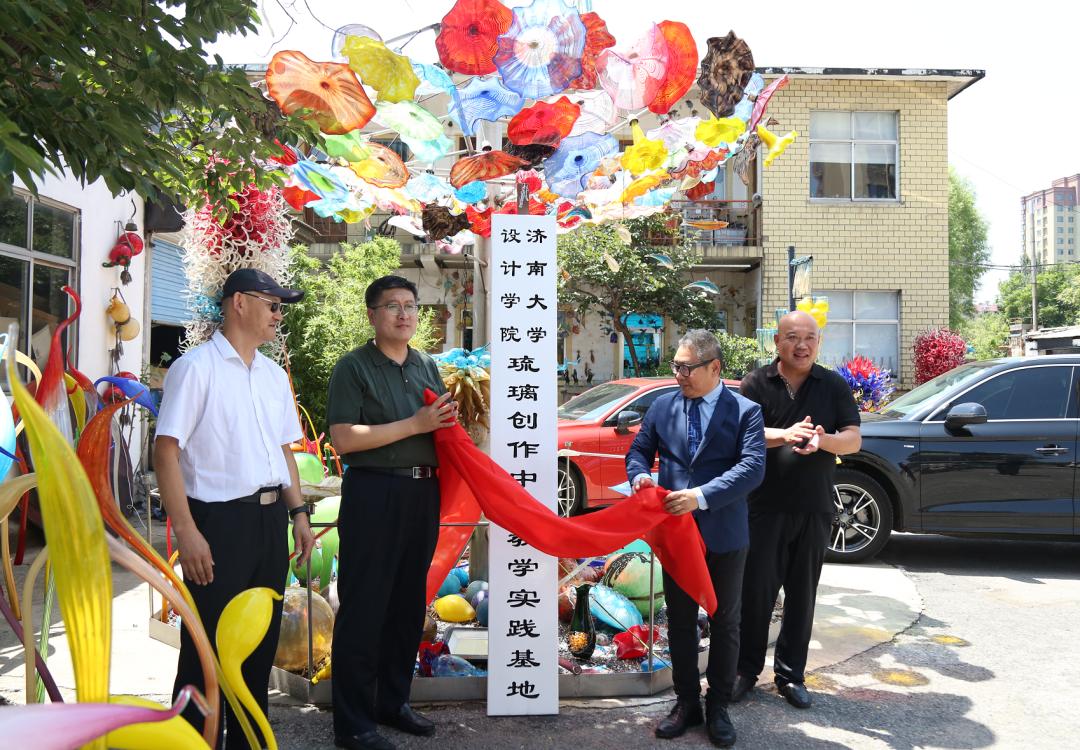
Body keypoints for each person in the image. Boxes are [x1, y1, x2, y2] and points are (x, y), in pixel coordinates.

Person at [155, 268, 315, 749]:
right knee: (203, 652)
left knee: (257, 649)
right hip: (217, 525)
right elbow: (166, 452)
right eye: (273, 305)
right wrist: (187, 532)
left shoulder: (272, 375)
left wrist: (299, 514)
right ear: (239, 303)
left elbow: (283, 451)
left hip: (269, 522)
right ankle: (189, 743)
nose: (279, 316)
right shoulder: (196, 368)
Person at [327, 275, 458, 750]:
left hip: (422, 493)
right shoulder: (353, 367)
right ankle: (353, 723)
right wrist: (415, 424)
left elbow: (437, 425)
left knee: (406, 606)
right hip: (374, 492)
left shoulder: (426, 365)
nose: (404, 314)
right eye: (392, 306)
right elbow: (343, 438)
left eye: (410, 305)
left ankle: (392, 702)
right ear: (372, 315)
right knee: (364, 607)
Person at [626, 330, 765, 747]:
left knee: (725, 621)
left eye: (687, 368)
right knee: (681, 621)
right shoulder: (663, 406)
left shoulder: (745, 411)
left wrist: (700, 496)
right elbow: (638, 451)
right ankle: (686, 703)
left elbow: (752, 467)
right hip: (677, 535)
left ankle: (718, 705)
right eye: (676, 367)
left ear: (715, 367)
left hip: (724, 532)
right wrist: (640, 476)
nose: (679, 375)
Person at [732, 311, 862, 709]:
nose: (801, 345)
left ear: (818, 343)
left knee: (802, 597)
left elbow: (853, 439)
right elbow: (742, 433)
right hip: (763, 508)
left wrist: (823, 441)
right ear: (777, 341)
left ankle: (790, 675)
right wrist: (786, 434)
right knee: (756, 595)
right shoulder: (756, 383)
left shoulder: (833, 385)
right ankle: (745, 671)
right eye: (792, 337)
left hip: (814, 509)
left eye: (809, 338)